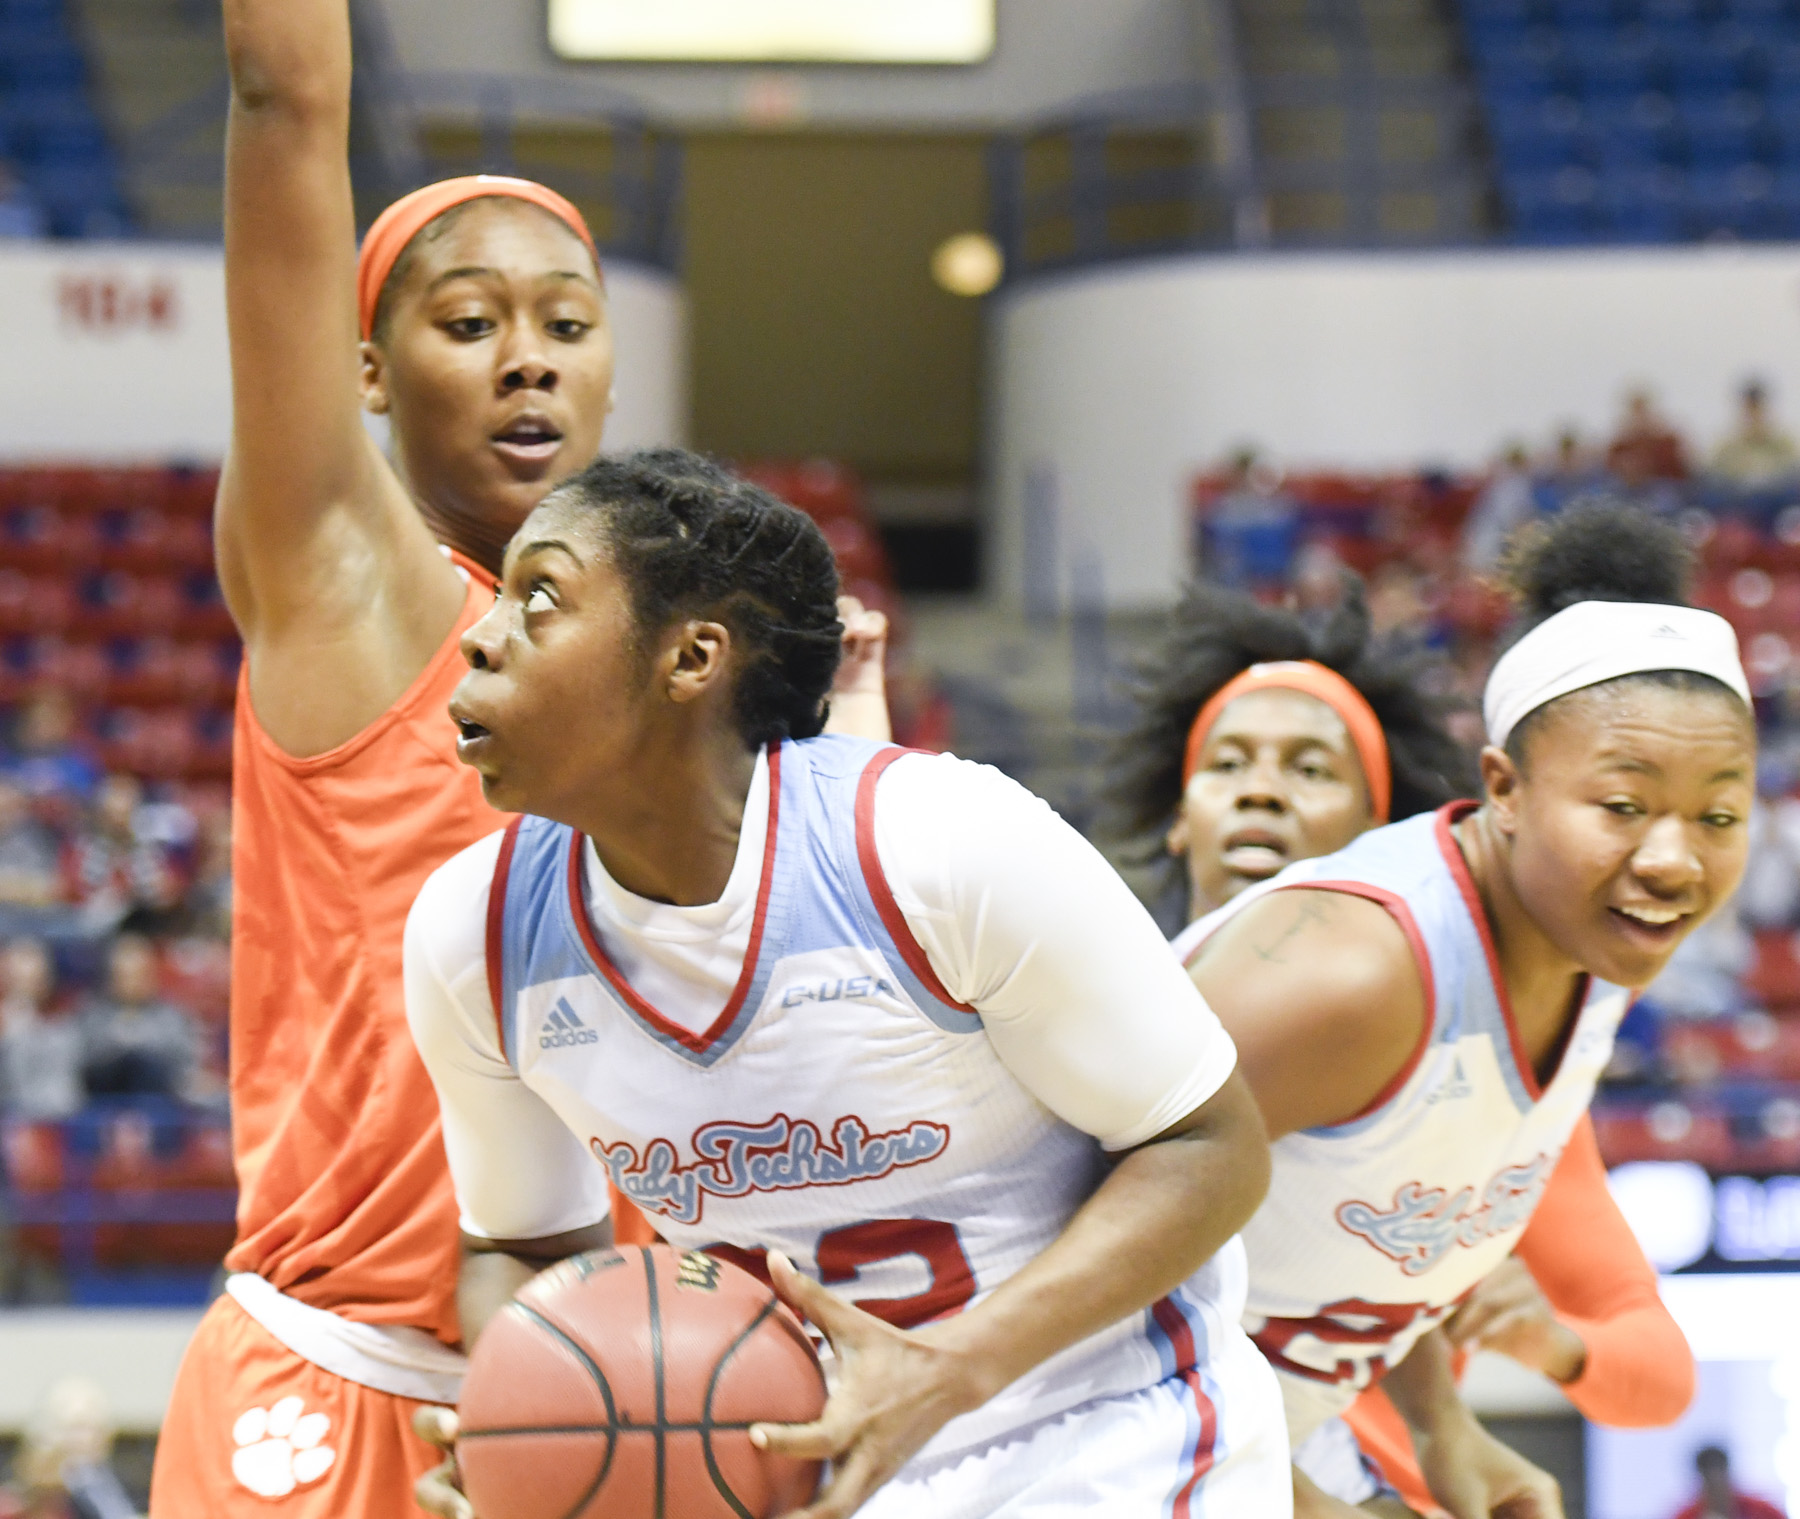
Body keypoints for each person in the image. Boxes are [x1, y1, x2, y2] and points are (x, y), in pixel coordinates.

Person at [149, 0, 888, 1510]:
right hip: (344, 1376)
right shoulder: (348, 587)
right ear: (366, 372)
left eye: (566, 323)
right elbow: (286, 101)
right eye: (469, 321)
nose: (526, 363)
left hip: (614, 1386)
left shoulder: (695, 674)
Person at [404, 451, 1288, 1519]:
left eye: (538, 596)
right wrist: (530, 1425)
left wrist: (951, 1368)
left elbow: (1212, 1148)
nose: (481, 632)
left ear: (690, 657)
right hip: (818, 1478)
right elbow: (524, 1243)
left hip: (1111, 1443)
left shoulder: (939, 842)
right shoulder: (475, 936)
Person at [1181, 504, 1754, 1517]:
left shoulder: (1572, 963)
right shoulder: (1347, 972)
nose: (1262, 796)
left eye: (1716, 815)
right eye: (1230, 763)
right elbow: (1039, 1272)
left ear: (1376, 814)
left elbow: (1399, 1226)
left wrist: (1449, 1425)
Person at [78, 933, 205, 1104]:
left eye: (139, 975)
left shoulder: (172, 1016)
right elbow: (81, 1063)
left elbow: (184, 1067)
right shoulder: (91, 1015)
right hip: (100, 1106)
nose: (132, 983)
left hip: (162, 1106)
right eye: (124, 976)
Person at [0, 938, 82, 1121]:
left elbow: (68, 1082)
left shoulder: (65, 1020)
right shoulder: (5, 1022)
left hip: (59, 1116)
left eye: (39, 978)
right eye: (23, 979)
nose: (34, 985)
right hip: (10, 1117)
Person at [1710, 380, 1798, 489]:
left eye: (1758, 409)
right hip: (1739, 498)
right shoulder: (1727, 445)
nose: (1754, 415)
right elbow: (1713, 473)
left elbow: (1793, 471)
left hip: (1776, 497)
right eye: (1750, 409)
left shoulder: (1784, 443)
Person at [1670, 1446, 1786, 1519]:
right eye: (1711, 1483)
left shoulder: (1762, 1511)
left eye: (1720, 1479)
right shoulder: (1686, 1516)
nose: (1717, 1489)